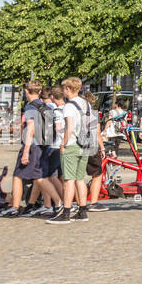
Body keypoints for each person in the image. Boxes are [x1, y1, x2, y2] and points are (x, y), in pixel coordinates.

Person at [0, 81, 50, 217]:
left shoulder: (30, 107)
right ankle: (49, 205)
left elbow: (30, 128)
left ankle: (15, 207)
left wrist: (26, 151)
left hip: (32, 145)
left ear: (26, 92)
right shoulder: (44, 106)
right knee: (40, 176)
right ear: (39, 92)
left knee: (17, 175)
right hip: (44, 144)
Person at [47, 77, 91, 225]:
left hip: (72, 144)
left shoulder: (68, 107)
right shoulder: (85, 103)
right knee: (80, 179)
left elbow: (69, 128)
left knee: (69, 179)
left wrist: (63, 144)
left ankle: (66, 212)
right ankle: (83, 210)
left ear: (68, 89)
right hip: (85, 144)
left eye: (65, 88)